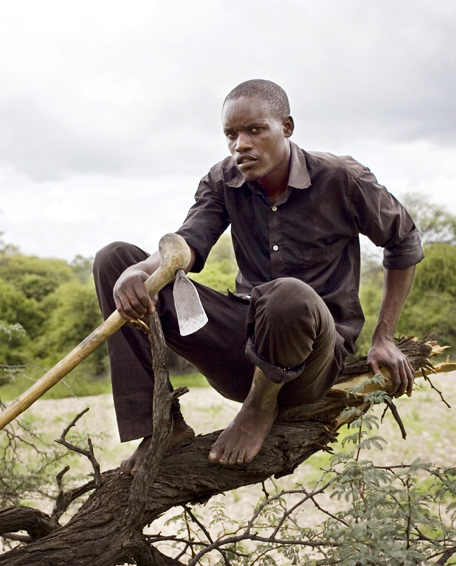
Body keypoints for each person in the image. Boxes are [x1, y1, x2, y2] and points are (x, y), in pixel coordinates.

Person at [93, 79, 424, 476]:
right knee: (113, 259)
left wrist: (383, 337)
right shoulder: (223, 180)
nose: (240, 145)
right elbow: (188, 244)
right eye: (231, 135)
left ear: (286, 127)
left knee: (288, 295)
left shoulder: (342, 178)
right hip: (243, 349)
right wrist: (138, 271)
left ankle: (258, 408)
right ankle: (160, 428)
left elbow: (403, 240)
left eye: (254, 130)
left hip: (311, 363)